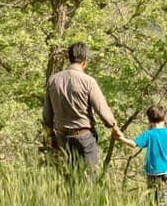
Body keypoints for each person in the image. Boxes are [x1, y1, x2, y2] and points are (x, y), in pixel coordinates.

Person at [42, 42, 123, 175]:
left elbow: (47, 114)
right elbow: (103, 111)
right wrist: (113, 126)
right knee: (89, 178)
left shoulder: (53, 80)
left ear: (70, 58)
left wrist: (51, 136)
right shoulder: (88, 81)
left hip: (62, 136)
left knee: (70, 180)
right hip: (84, 137)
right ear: (85, 61)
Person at [115, 104, 167, 206]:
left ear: (149, 120)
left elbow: (133, 144)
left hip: (152, 170)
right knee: (165, 194)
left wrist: (121, 139)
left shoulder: (148, 134)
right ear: (165, 118)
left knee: (153, 195)